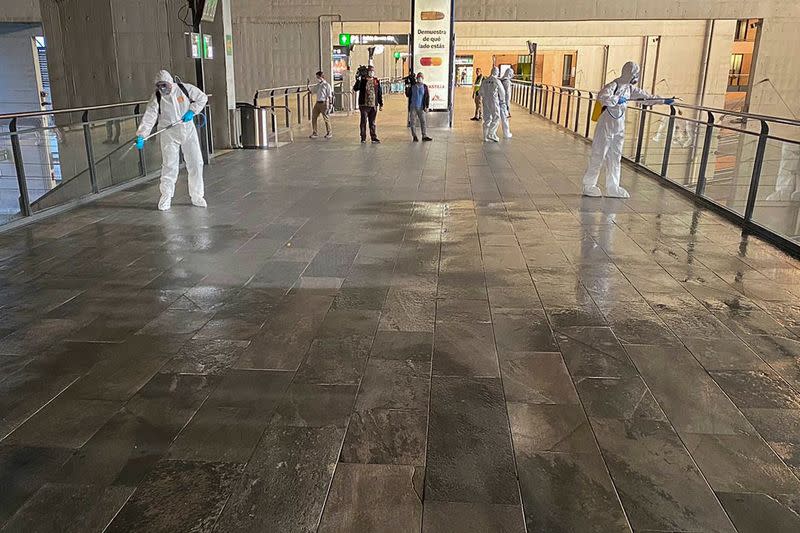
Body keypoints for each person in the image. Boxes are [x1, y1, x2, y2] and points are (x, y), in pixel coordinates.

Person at [581, 61, 673, 198]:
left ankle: (613, 187)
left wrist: (663, 101)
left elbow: (645, 97)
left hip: (619, 128)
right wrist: (617, 99)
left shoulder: (630, 89)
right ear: (629, 74)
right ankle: (589, 185)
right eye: (635, 74)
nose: (636, 77)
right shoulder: (614, 85)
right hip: (605, 126)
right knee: (598, 156)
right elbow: (602, 97)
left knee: (615, 158)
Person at [135, 70, 208, 210]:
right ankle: (166, 196)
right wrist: (142, 135)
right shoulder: (157, 97)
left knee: (196, 163)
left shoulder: (184, 89)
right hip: (169, 133)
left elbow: (202, 98)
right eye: (159, 86)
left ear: (170, 83)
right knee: (169, 165)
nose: (163, 88)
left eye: (164, 85)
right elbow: (150, 116)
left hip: (188, 130)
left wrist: (192, 111)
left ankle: (197, 195)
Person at [353, 65, 383, 144]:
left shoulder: (376, 81)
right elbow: (356, 88)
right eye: (370, 71)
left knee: (372, 122)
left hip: (373, 105)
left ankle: (374, 137)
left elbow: (379, 93)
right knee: (363, 122)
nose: (371, 73)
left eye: (372, 71)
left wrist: (380, 103)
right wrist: (358, 80)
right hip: (364, 105)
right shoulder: (362, 80)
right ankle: (363, 137)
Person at [479, 67, 506, 142]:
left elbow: (480, 92)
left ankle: (485, 136)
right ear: (496, 72)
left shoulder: (485, 80)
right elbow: (502, 93)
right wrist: (502, 100)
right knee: (496, 117)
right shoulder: (497, 81)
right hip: (494, 101)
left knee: (487, 118)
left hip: (485, 101)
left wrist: (484, 96)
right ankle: (491, 133)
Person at [406, 72, 432, 142]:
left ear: (423, 78)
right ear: (416, 78)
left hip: (421, 107)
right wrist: (407, 86)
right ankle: (414, 136)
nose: (419, 78)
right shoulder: (413, 86)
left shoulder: (425, 87)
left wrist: (427, 106)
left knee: (423, 121)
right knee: (412, 122)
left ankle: (424, 135)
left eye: (421, 77)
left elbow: (427, 97)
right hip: (413, 107)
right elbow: (408, 95)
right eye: (418, 77)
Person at [308, 70, 333, 139]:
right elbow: (312, 91)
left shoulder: (327, 85)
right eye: (317, 77)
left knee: (326, 118)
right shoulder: (318, 85)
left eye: (318, 77)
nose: (317, 79)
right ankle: (315, 132)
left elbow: (330, 95)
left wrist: (330, 104)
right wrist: (308, 86)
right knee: (314, 117)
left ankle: (329, 132)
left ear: (322, 77)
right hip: (317, 103)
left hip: (324, 103)